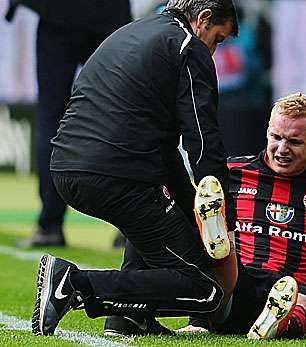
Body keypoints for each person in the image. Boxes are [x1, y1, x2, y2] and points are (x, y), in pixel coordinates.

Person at [31, 0, 239, 336]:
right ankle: (76, 283)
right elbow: (201, 138)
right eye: (217, 38)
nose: (213, 51)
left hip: (67, 167)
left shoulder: (133, 32)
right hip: (119, 174)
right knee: (204, 289)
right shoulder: (188, 47)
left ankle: (128, 318)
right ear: (202, 19)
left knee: (152, 222)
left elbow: (165, 152)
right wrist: (219, 212)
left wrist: (190, 206)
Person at [171, 93, 306, 339]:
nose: (282, 149)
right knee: (224, 265)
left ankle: (279, 322)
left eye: (294, 141)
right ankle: (216, 299)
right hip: (241, 281)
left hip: (296, 287)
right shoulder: (232, 173)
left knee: (302, 303)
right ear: (267, 131)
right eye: (276, 137)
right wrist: (196, 322)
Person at [8, 0, 131, 247]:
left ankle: (50, 224)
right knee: (124, 117)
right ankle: (130, 226)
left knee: (51, 120)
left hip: (59, 14)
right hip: (108, 17)